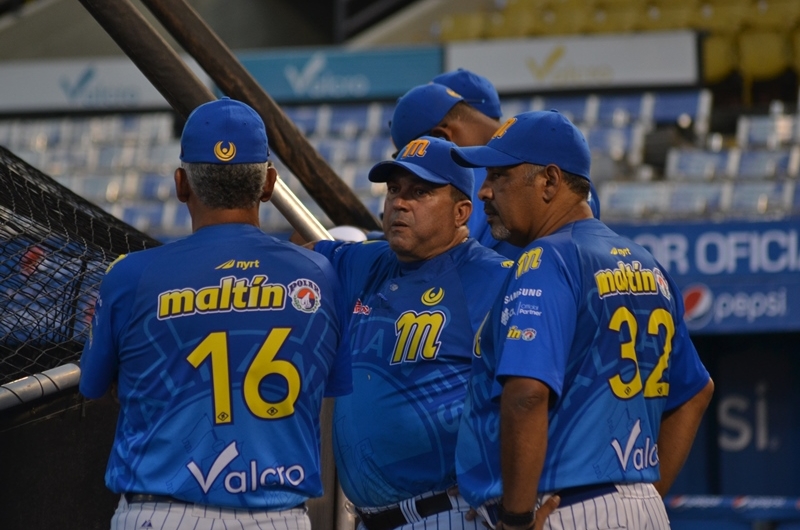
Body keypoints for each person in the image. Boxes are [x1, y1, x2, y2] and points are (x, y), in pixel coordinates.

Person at [79, 97, 351, 530]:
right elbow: (327, 388)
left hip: (161, 512)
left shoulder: (131, 275)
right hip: (278, 515)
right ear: (268, 184)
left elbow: (94, 386)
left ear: (181, 184)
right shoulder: (319, 274)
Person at [450, 110, 714, 529]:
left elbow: (527, 394)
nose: (484, 192)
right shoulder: (647, 263)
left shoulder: (546, 258)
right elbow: (696, 392)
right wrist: (643, 493)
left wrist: (517, 518)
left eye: (499, 175)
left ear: (550, 181)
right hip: (640, 506)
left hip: (562, 508)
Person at [312, 136, 514, 530]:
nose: (399, 202)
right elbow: (294, 259)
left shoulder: (492, 279)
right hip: (366, 518)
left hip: (447, 511)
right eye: (394, 190)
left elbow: (539, 391)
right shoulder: (365, 261)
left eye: (420, 191)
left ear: (461, 212)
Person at [390, 71, 600, 261]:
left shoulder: (467, 182)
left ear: (441, 137)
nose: (484, 192)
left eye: (419, 152)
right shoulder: (573, 180)